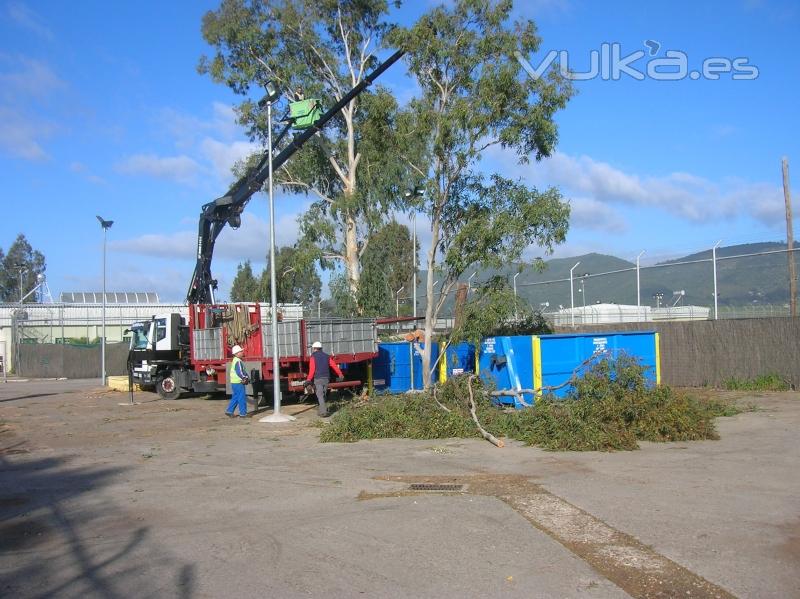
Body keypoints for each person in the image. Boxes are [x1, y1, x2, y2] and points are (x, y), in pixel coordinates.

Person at [306, 341, 344, 417]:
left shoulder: (313, 357)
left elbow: (312, 369)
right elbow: (334, 365)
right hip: (326, 378)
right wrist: (340, 374)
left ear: (314, 348)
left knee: (319, 395)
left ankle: (323, 412)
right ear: (321, 348)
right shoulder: (327, 356)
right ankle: (321, 411)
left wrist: (309, 379)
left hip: (318, 378)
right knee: (323, 394)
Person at [225, 344, 249, 418]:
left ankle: (229, 411)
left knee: (235, 397)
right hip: (239, 382)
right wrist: (244, 378)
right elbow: (239, 372)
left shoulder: (235, 360)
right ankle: (243, 413)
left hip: (234, 382)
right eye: (240, 351)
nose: (242, 352)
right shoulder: (238, 361)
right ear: (236, 353)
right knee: (241, 398)